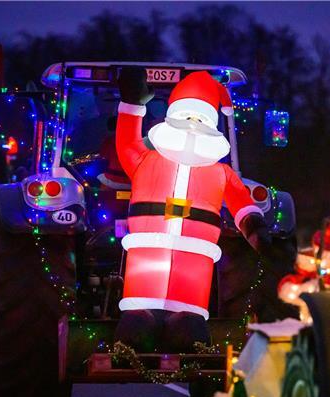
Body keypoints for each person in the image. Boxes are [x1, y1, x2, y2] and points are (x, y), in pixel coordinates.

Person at [113, 67, 277, 353]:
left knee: (187, 317)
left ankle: (185, 326)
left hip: (194, 261)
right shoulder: (145, 160)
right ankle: (139, 323)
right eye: (186, 117)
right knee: (140, 312)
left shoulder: (221, 172)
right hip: (147, 254)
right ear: (171, 119)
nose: (191, 125)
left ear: (211, 126)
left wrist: (255, 229)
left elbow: (240, 201)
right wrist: (132, 105)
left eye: (199, 119)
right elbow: (127, 142)